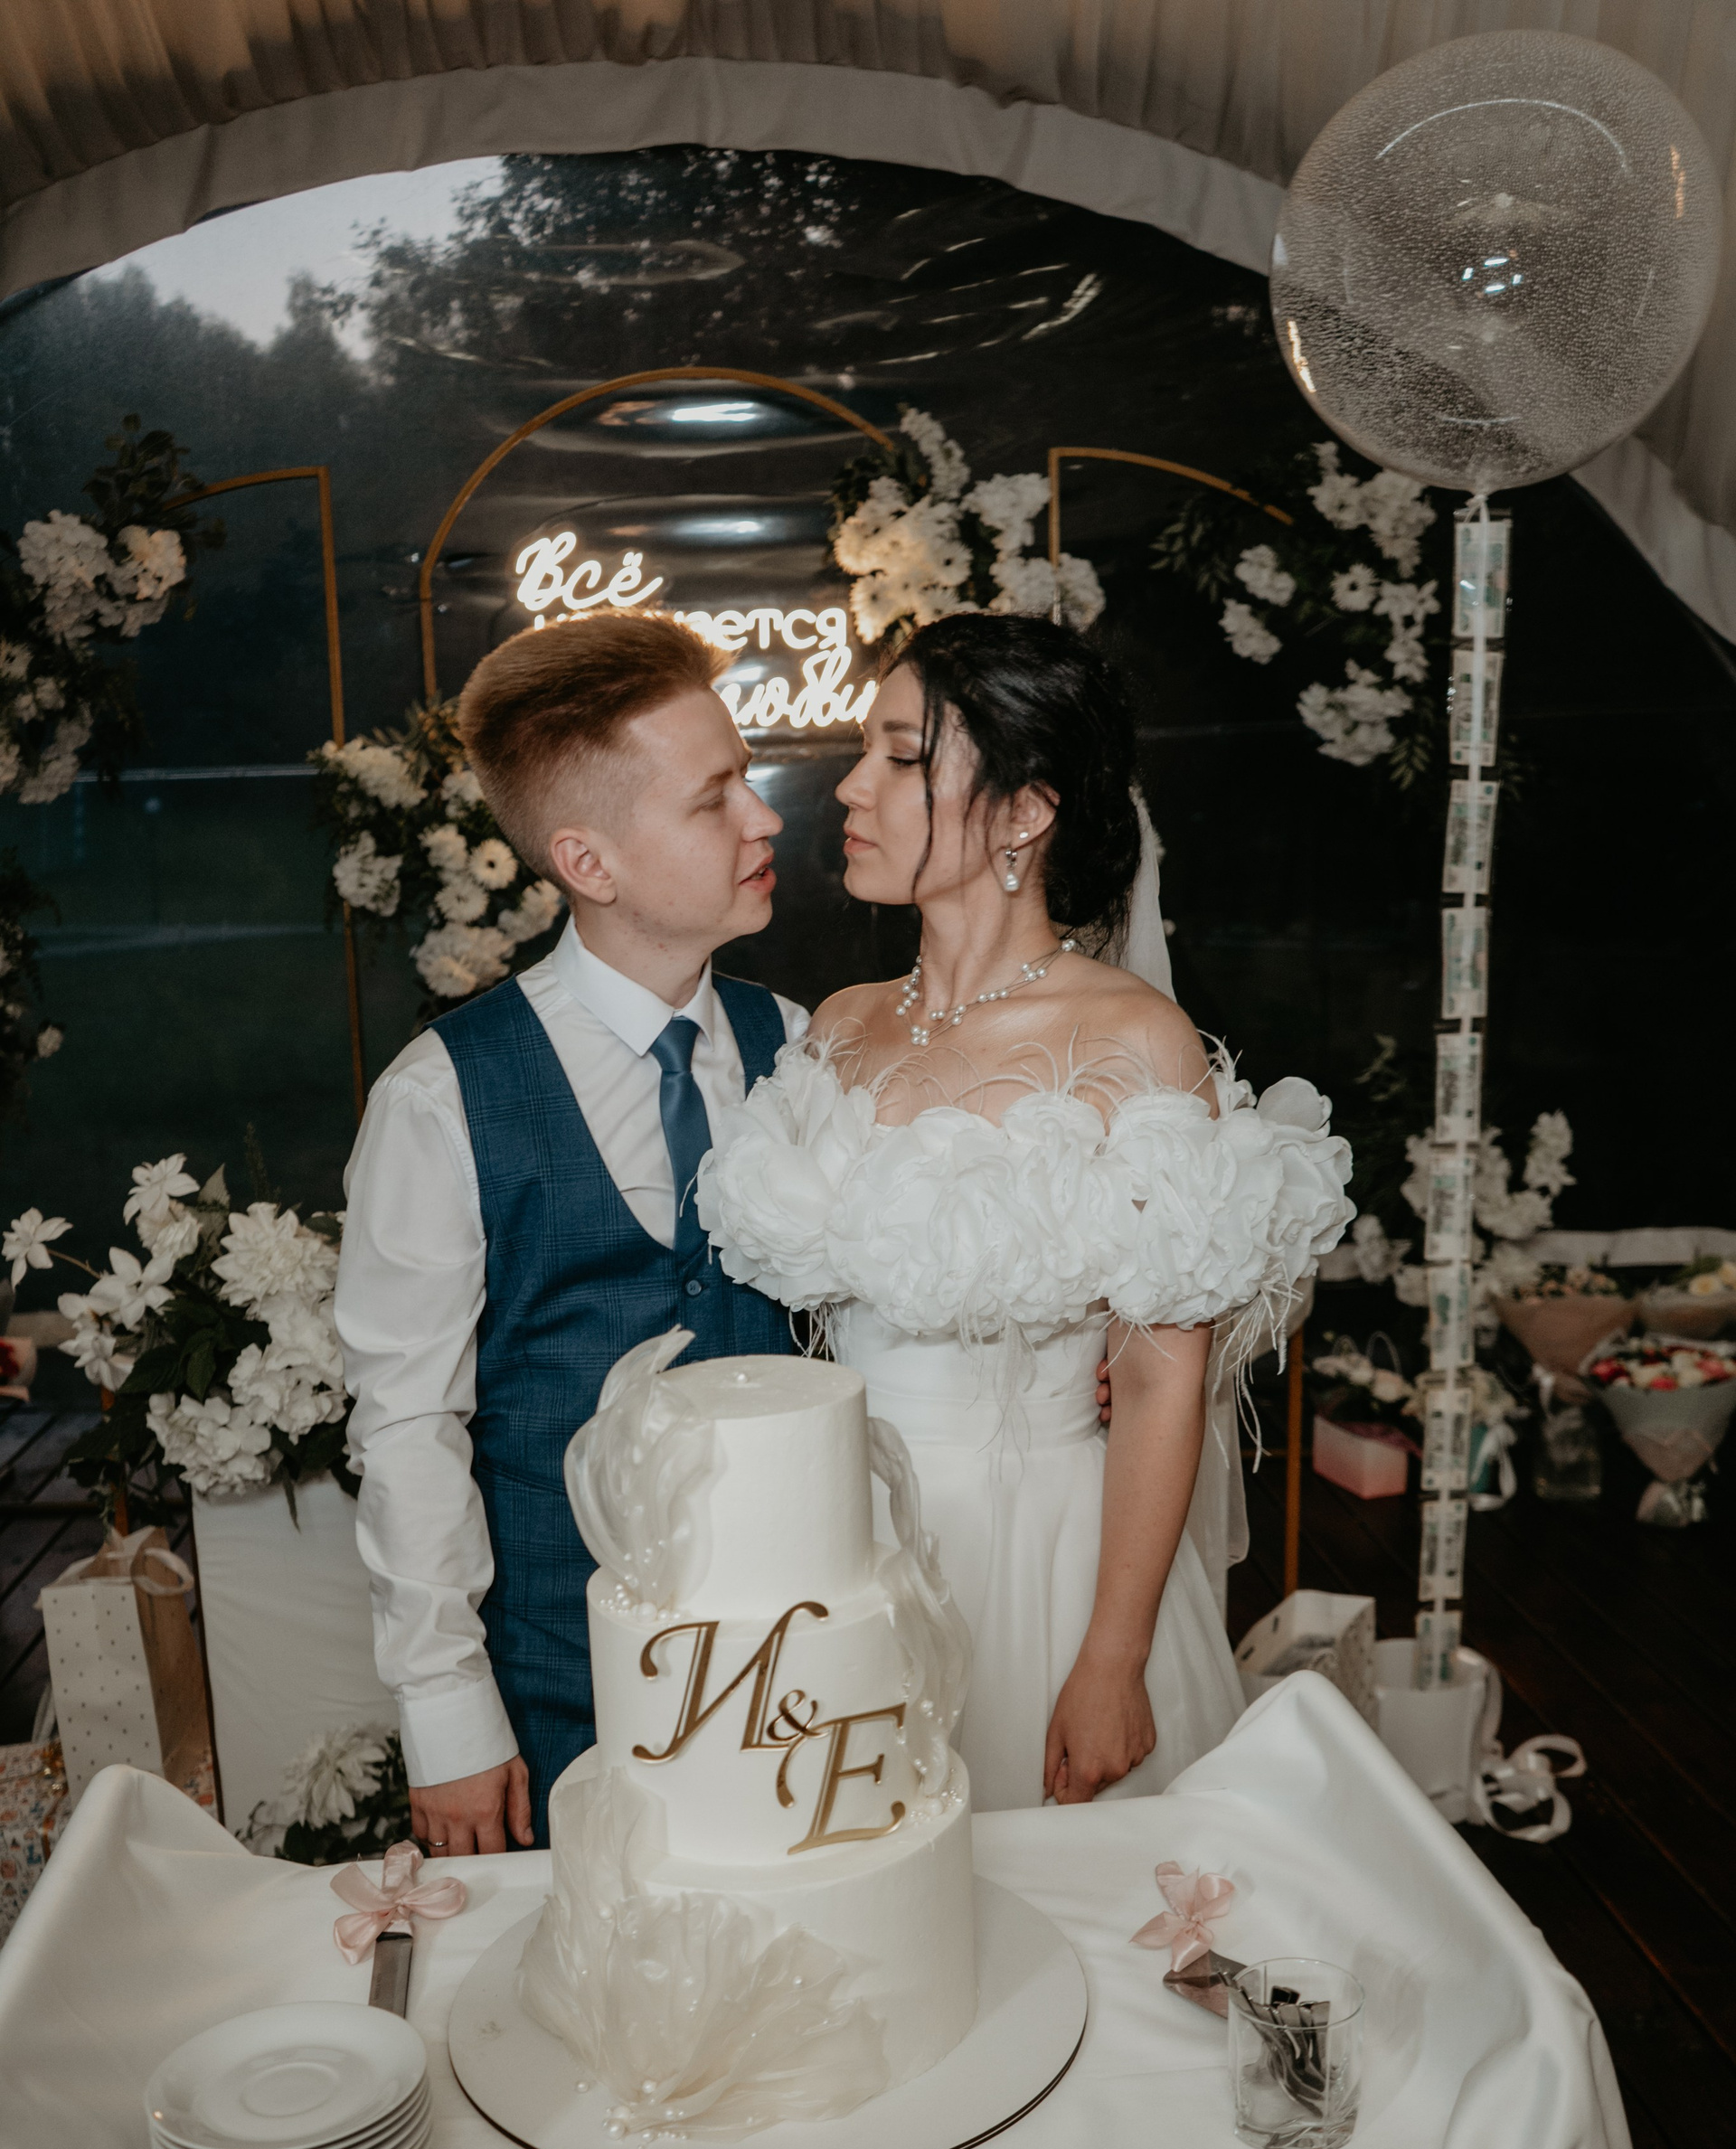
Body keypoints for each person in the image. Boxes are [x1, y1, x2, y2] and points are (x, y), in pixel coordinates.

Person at [701, 614, 1354, 1809]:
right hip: (837, 1538)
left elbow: (1156, 1381)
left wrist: (1111, 1658)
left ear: (1025, 811)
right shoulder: (841, 1021)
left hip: (1041, 1554)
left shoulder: (1132, 1041)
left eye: (902, 755)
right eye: (866, 749)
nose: (850, 786)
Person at [335, 614, 808, 1854]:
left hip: (803, 1672)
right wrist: (448, 1712)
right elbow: (408, 1424)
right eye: (714, 798)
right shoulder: (442, 1098)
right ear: (588, 861)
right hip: (561, 1690)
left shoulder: (804, 1049)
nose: (763, 818)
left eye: (749, 779)